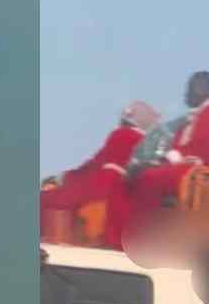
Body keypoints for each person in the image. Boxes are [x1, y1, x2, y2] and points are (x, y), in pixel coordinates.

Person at [125, 71, 209, 231]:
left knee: (150, 178)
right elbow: (180, 150)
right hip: (187, 169)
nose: (186, 94)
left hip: (201, 172)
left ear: (203, 90)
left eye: (190, 88)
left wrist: (172, 160)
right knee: (142, 173)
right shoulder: (195, 117)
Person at [41, 100, 162, 248]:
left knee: (46, 199)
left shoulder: (121, 135)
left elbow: (91, 166)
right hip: (124, 195)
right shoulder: (149, 144)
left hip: (103, 187)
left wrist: (62, 178)